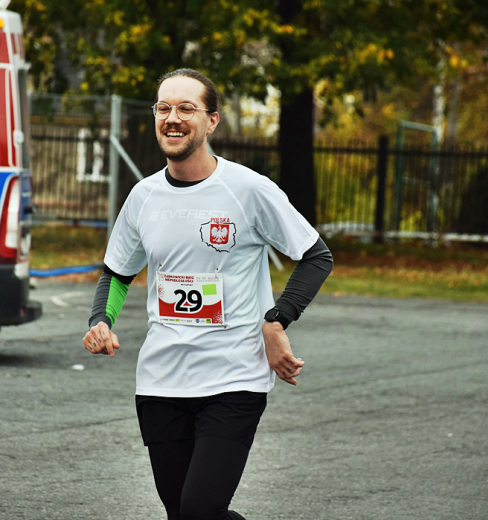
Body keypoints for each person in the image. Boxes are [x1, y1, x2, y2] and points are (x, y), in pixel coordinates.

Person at [82, 68, 333, 520]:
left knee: (201, 508)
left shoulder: (248, 190)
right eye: (163, 108)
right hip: (161, 380)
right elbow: (117, 272)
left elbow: (316, 256)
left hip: (233, 376)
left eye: (185, 108)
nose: (172, 118)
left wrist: (276, 320)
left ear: (212, 121)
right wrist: (101, 320)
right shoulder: (143, 197)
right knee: (181, 513)